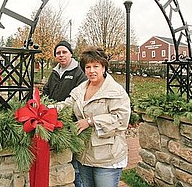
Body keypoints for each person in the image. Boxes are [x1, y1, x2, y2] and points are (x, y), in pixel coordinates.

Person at [54, 46, 131, 187]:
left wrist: (90, 121)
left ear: (103, 67)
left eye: (96, 66)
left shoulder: (115, 91)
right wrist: (47, 109)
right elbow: (67, 105)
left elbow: (121, 119)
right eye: (88, 67)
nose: (91, 71)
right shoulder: (80, 89)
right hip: (84, 155)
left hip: (107, 157)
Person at [43, 40, 87, 187]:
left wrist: (62, 111)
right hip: (53, 118)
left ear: (70, 53)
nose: (61, 55)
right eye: (58, 53)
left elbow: (79, 98)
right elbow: (46, 91)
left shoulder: (79, 73)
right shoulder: (55, 72)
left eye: (64, 52)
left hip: (71, 121)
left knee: (75, 161)